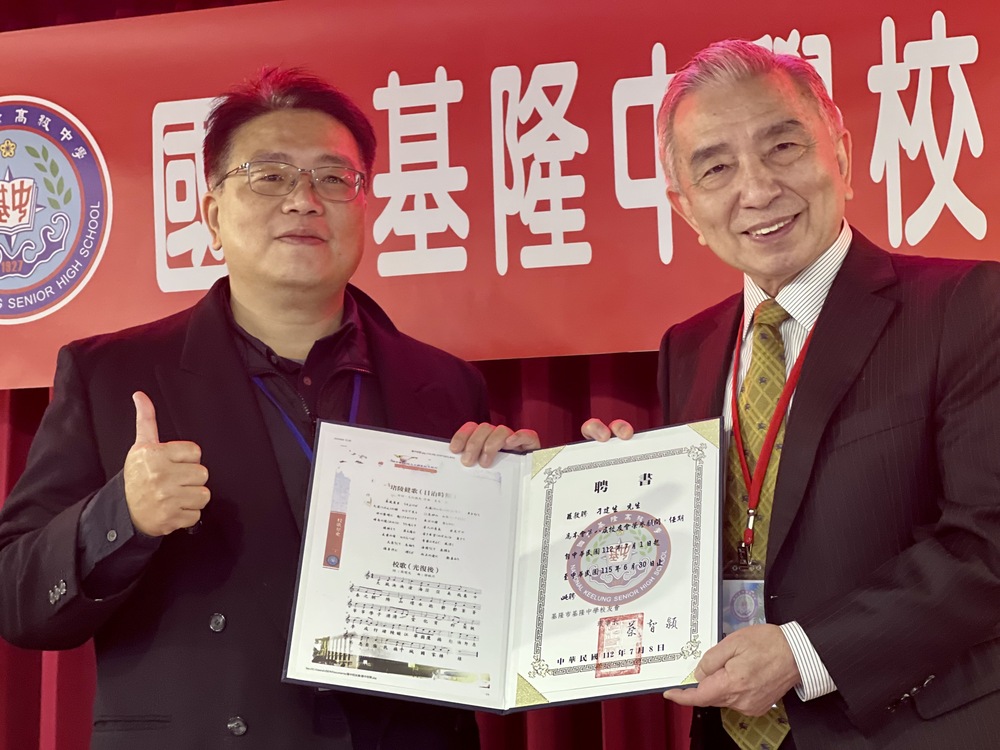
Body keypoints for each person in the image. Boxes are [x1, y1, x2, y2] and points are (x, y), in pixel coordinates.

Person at [0, 68, 537, 750]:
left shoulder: (446, 385)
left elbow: (490, 620)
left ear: (366, 209)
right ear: (212, 216)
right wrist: (121, 516)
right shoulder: (112, 375)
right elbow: (16, 600)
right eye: (270, 176)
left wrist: (517, 507)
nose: (304, 200)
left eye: (334, 179)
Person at [584, 40, 1000, 749]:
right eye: (716, 167)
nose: (757, 189)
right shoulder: (687, 348)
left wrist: (805, 655)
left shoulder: (964, 306)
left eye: (782, 147)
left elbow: (986, 542)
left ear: (841, 154)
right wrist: (620, 497)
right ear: (686, 209)